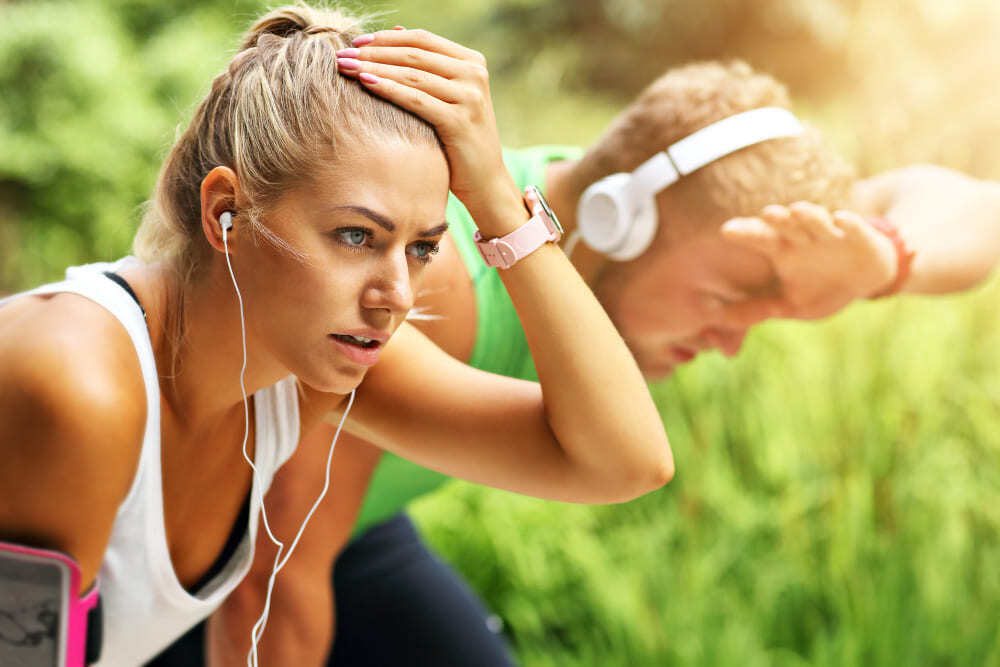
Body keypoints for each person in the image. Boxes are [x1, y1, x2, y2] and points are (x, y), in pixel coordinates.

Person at [167, 59, 1000, 667]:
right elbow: (270, 579)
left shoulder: (622, 209)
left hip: (352, 530)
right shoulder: (435, 282)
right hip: (200, 550)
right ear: (622, 214)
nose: (735, 336)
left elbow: (981, 210)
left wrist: (884, 263)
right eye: (727, 294)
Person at [0, 5, 676, 666]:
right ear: (225, 212)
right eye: (357, 236)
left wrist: (500, 202)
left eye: (421, 248)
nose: (398, 296)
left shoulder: (300, 368)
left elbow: (622, 462)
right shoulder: (73, 385)